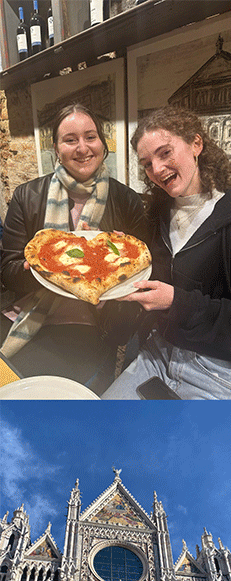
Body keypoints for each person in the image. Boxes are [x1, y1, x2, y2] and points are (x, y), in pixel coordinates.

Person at [101, 106, 231, 400]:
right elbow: (148, 276)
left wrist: (177, 302)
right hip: (158, 352)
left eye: (165, 153)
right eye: (148, 163)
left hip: (220, 372)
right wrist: (120, 253)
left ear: (196, 145)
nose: (157, 170)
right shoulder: (157, 213)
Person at [1, 103, 147, 387]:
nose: (83, 148)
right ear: (56, 148)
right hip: (27, 313)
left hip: (92, 324)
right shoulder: (27, 195)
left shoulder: (127, 200)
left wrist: (115, 262)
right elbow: (7, 272)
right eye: (70, 140)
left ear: (103, 144)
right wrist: (42, 269)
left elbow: (141, 278)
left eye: (90, 137)